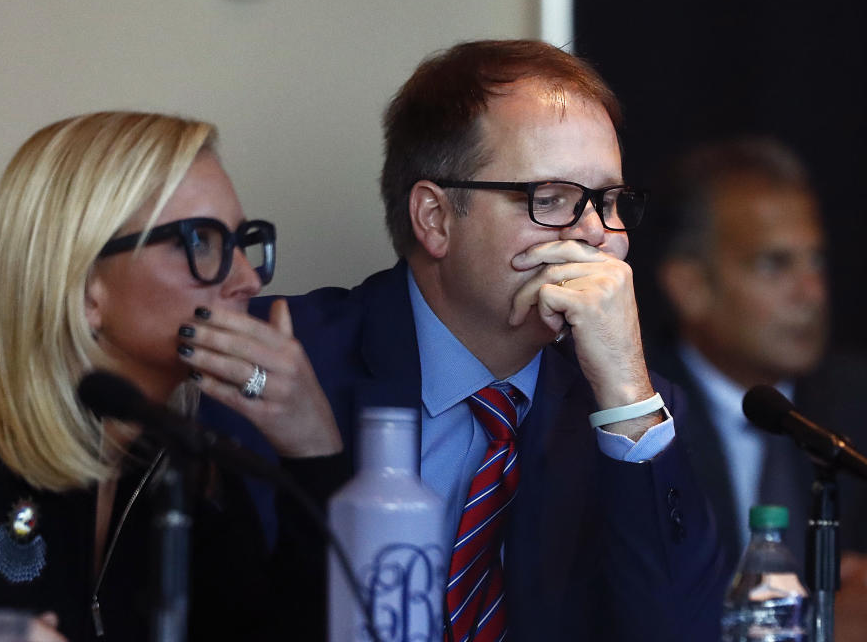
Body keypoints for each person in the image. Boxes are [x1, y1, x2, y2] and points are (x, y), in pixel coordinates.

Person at [203, 40, 724, 641]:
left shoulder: (631, 410)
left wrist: (626, 388)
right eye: (549, 199)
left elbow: (686, 630)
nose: (594, 236)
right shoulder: (282, 361)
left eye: (608, 202)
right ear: (435, 218)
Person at [0, 111, 345, 641]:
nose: (248, 280)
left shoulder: (188, 465)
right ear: (87, 284)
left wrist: (313, 451)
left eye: (243, 241)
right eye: (201, 242)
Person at [649, 135, 867, 641]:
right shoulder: (637, 416)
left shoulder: (856, 404)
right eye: (775, 264)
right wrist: (819, 621)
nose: (811, 294)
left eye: (815, 261)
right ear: (690, 286)